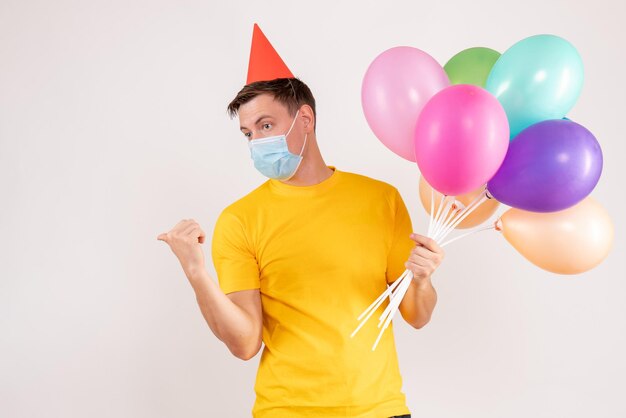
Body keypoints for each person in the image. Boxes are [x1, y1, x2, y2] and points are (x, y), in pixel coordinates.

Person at [157, 24, 444, 418]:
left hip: (379, 410)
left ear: (305, 119)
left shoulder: (381, 200)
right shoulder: (240, 220)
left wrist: (424, 279)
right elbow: (244, 344)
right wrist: (195, 272)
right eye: (248, 133)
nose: (257, 142)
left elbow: (417, 315)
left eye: (266, 125)